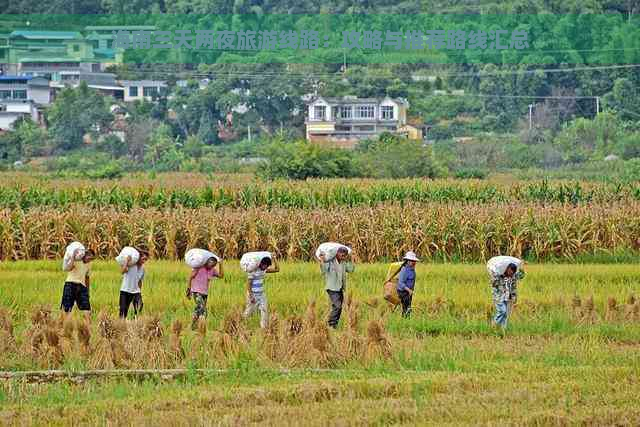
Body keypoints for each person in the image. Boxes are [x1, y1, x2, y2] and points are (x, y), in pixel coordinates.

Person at [319, 247, 355, 329]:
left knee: (339, 307)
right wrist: (322, 260)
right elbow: (323, 270)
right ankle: (330, 324)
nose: (343, 257)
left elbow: (351, 270)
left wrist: (352, 259)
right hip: (331, 288)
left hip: (340, 288)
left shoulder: (344, 263)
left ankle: (334, 325)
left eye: (345, 256)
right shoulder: (330, 261)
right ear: (337, 253)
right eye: (342, 255)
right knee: (337, 306)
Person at [187, 256, 224, 330]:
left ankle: (192, 327)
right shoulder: (199, 267)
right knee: (203, 310)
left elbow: (221, 276)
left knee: (197, 310)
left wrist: (221, 264)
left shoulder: (212, 270)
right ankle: (202, 328)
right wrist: (188, 290)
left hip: (205, 293)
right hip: (196, 292)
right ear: (207, 262)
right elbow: (190, 277)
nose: (212, 266)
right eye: (211, 264)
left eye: (214, 265)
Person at [243, 256, 279, 329]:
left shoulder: (264, 270)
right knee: (249, 311)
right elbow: (248, 285)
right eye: (265, 265)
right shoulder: (252, 270)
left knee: (264, 310)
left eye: (267, 266)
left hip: (261, 294)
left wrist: (274, 259)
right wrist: (251, 296)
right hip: (253, 294)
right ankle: (240, 323)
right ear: (261, 264)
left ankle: (264, 328)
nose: (266, 267)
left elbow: (277, 269)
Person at [61, 248, 96, 321]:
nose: (90, 260)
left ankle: (87, 328)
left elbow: (87, 277)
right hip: (70, 284)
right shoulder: (76, 259)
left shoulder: (89, 264)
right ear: (86, 254)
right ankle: (63, 327)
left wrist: (87, 291)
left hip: (82, 287)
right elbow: (67, 268)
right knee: (66, 309)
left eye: (92, 259)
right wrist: (73, 257)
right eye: (90, 258)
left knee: (87, 310)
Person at [490, 262, 525, 330]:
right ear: (507, 269)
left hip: (508, 297)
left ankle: (503, 329)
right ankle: (494, 325)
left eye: (512, 272)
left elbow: (521, 276)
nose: (510, 273)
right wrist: (495, 275)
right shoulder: (499, 275)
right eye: (510, 271)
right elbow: (493, 284)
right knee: (502, 311)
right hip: (498, 297)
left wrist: (521, 267)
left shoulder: (513, 277)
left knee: (506, 314)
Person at [119, 250, 148, 319]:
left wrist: (140, 291)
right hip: (125, 290)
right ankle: (121, 325)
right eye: (143, 259)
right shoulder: (131, 265)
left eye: (146, 260)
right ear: (138, 258)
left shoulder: (143, 269)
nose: (144, 261)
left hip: (136, 292)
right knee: (123, 310)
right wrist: (126, 261)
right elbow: (122, 271)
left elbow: (140, 281)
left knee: (139, 306)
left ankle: (135, 322)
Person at [396, 251, 420, 318]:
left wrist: (411, 290)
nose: (414, 263)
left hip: (409, 292)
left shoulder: (412, 270)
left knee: (408, 307)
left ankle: (406, 320)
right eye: (412, 261)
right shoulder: (404, 270)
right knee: (406, 308)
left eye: (414, 261)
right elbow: (400, 283)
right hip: (403, 292)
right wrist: (408, 290)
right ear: (408, 261)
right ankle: (405, 320)